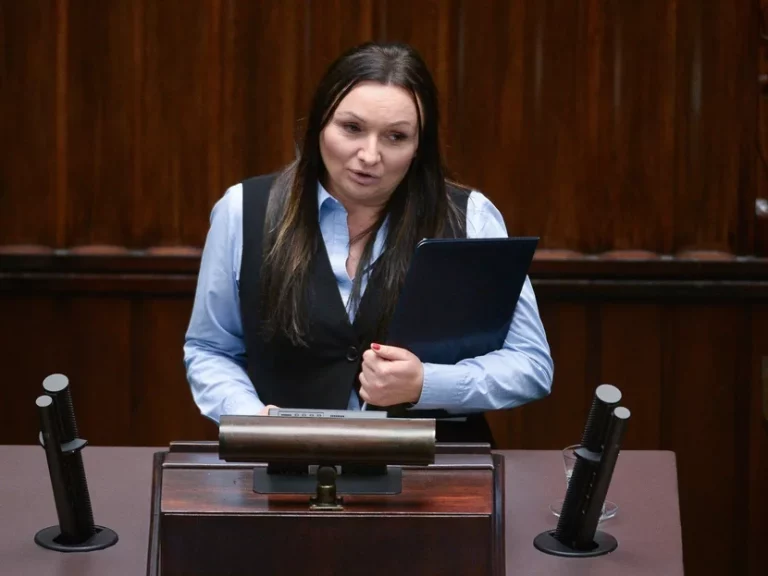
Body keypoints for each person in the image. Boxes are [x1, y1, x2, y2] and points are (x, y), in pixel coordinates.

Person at [184, 42, 553, 444]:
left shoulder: (471, 217)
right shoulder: (242, 210)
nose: (370, 155)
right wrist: (251, 419)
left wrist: (427, 383)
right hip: (286, 466)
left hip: (438, 470)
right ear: (319, 125)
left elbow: (530, 364)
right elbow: (210, 350)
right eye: (352, 128)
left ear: (418, 146)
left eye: (396, 136)